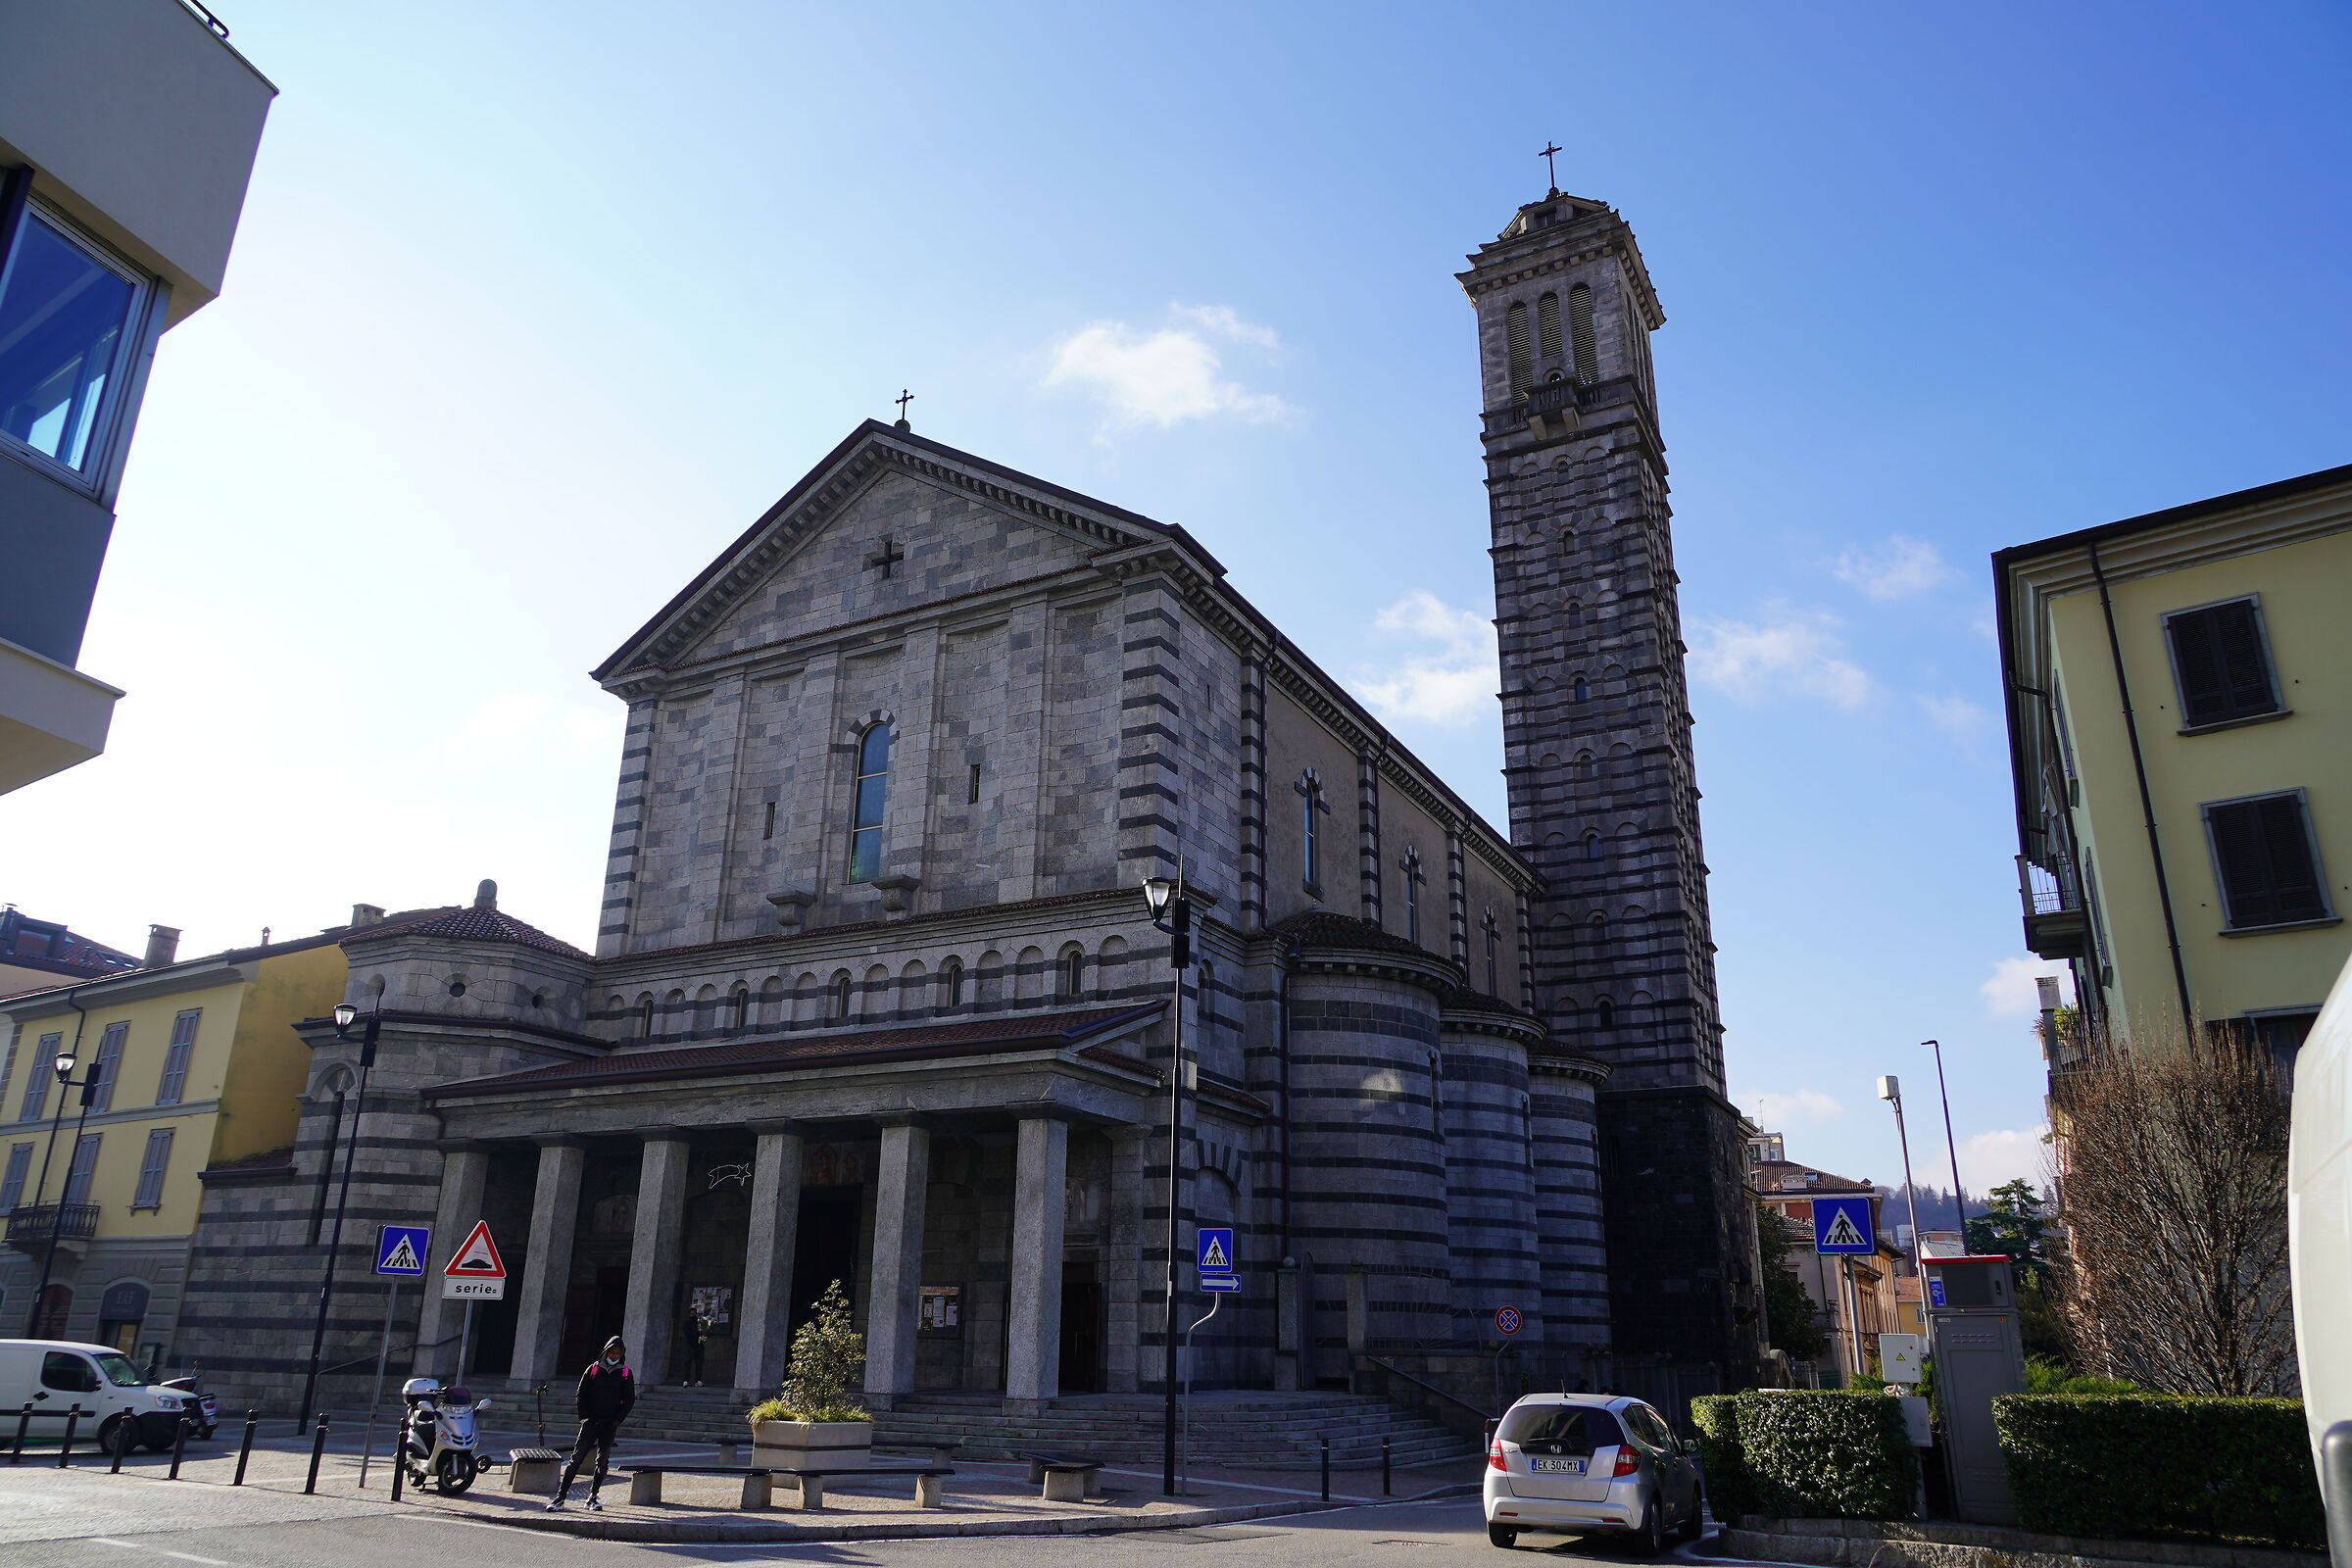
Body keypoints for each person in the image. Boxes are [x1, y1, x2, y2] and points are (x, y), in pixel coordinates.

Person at [548, 1336, 635, 1511]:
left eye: (618, 1353)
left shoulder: (625, 1373)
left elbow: (629, 1399)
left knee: (602, 1461)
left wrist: (617, 1420)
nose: (614, 1355)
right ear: (606, 1351)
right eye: (612, 1352)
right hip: (591, 1423)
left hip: (609, 1424)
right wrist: (584, 1418)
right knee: (575, 1460)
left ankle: (592, 1497)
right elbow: (581, 1394)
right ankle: (560, 1498)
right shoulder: (593, 1369)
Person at [682, 1309, 710, 1387]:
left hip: (699, 1346)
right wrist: (700, 1333)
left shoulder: (700, 1323)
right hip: (691, 1346)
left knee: (699, 1364)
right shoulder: (687, 1323)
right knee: (688, 1363)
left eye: (694, 1314)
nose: (693, 1316)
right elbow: (689, 1334)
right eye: (692, 1314)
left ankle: (698, 1380)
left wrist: (703, 1338)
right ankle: (685, 1380)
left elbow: (706, 1333)